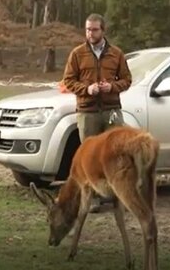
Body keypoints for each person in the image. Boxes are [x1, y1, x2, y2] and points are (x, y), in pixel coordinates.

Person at [61, 13, 132, 210]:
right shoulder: (77, 54)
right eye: (87, 29)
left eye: (94, 29)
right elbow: (68, 81)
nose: (90, 33)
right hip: (87, 111)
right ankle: (92, 198)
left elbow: (127, 80)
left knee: (116, 154)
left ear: (103, 30)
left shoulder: (116, 54)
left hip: (111, 110)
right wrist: (87, 89)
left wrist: (112, 87)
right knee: (90, 157)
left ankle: (119, 196)